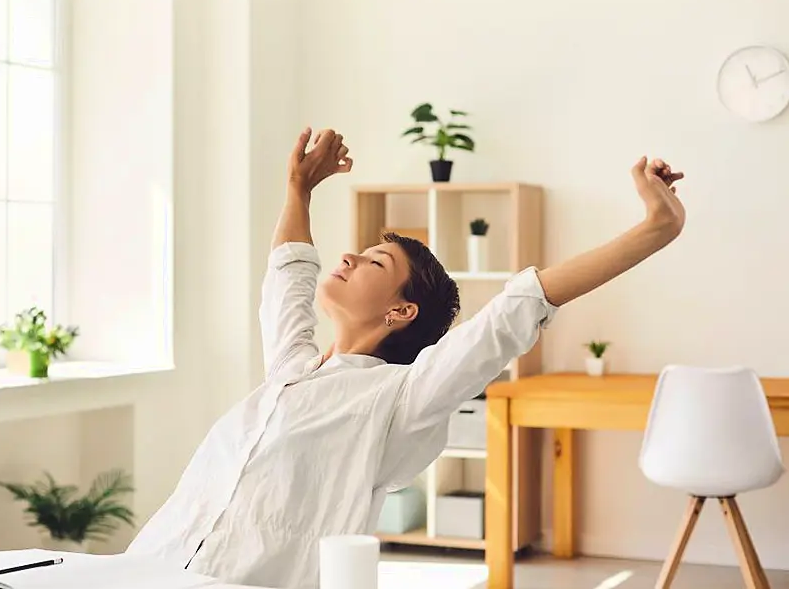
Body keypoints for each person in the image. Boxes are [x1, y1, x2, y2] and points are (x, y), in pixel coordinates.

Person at [125, 128, 686, 588]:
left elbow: (518, 307)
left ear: (401, 313)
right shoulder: (291, 370)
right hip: (148, 566)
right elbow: (288, 276)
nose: (349, 255)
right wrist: (299, 188)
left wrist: (655, 230)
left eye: (374, 262)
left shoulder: (400, 398)